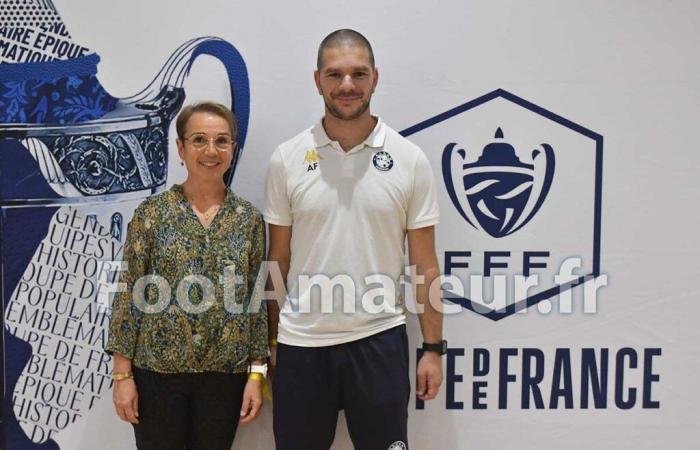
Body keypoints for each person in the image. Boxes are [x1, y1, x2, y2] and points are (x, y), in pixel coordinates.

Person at [264, 29, 446, 450]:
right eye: (335, 75)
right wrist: (270, 342)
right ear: (318, 81)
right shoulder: (287, 159)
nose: (347, 85)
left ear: (375, 78)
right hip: (302, 345)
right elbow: (278, 259)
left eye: (358, 74)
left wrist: (433, 348)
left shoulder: (409, 160)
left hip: (379, 341)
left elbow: (424, 264)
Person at [105, 102, 268, 450]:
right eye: (199, 140)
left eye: (222, 141)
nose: (211, 151)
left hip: (225, 377)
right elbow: (128, 295)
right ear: (180, 147)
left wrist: (257, 374)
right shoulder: (152, 214)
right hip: (157, 377)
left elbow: (255, 302)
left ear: (232, 149)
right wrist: (122, 376)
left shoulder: (249, 220)